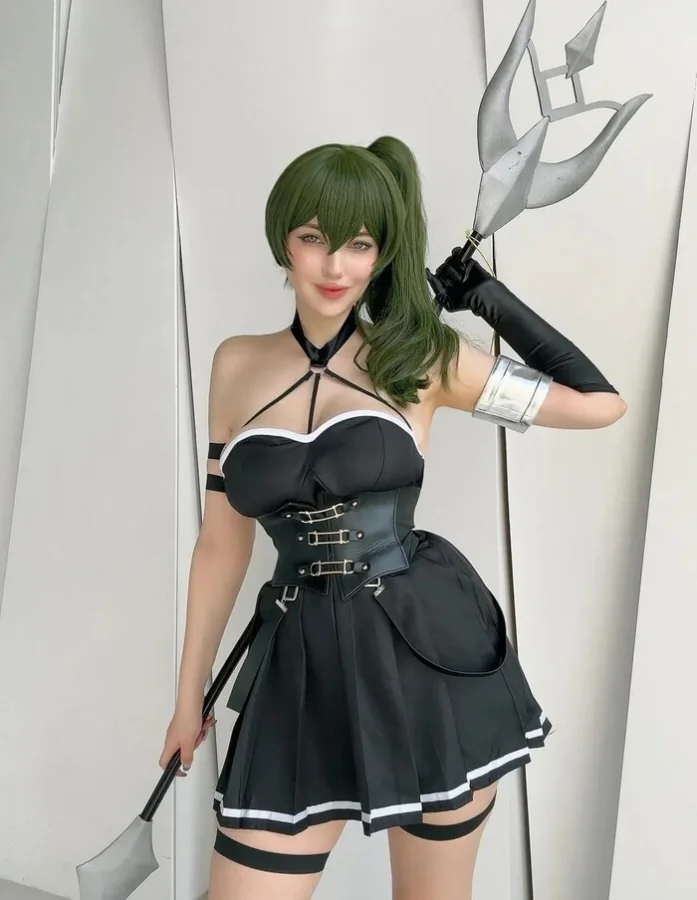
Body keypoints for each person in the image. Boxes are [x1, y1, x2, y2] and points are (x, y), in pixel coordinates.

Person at [159, 135, 626, 900]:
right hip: (298, 663)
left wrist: (486, 298)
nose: (334, 266)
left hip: (421, 652)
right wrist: (188, 696)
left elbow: (599, 405)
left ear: (381, 254)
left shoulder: (420, 360)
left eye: (359, 244)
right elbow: (220, 545)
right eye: (313, 238)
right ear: (283, 240)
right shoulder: (236, 364)